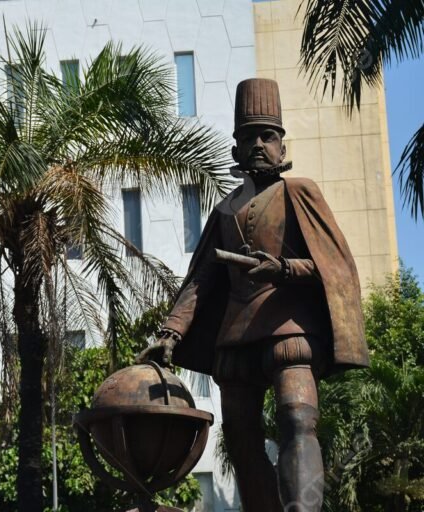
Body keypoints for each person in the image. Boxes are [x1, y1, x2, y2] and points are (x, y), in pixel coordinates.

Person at [138, 78, 369, 512]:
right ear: (235, 151)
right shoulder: (224, 210)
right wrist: (170, 333)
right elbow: (200, 281)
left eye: (268, 136)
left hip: (289, 331)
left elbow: (336, 267)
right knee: (242, 442)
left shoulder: (298, 192)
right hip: (235, 339)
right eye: (249, 138)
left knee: (298, 419)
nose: (259, 144)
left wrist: (282, 267)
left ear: (282, 147)